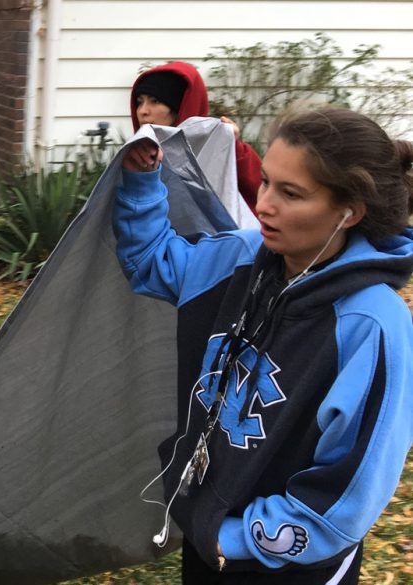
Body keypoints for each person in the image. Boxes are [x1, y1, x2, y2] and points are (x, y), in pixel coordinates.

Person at [113, 107, 413, 583]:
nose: (264, 203)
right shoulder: (239, 258)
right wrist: (141, 181)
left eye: (290, 193)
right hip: (209, 536)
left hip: (292, 567)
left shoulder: (372, 325)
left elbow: (349, 490)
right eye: (267, 182)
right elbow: (150, 262)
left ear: (348, 212)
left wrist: (234, 538)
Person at [131, 62, 263, 209]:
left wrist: (233, 149)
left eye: (154, 101)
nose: (142, 111)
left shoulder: (221, 151)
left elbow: (261, 193)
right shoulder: (134, 158)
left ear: (180, 107)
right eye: (139, 102)